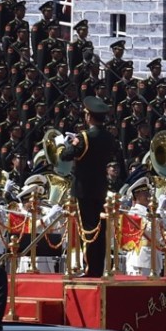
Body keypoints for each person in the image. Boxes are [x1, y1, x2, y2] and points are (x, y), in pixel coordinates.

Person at [58, 96, 115, 277]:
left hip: (84, 188)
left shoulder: (84, 137)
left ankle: (90, 268)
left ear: (89, 117)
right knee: (100, 227)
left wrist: (64, 144)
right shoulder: (109, 137)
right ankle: (99, 267)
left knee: (88, 228)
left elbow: (65, 156)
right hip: (101, 188)